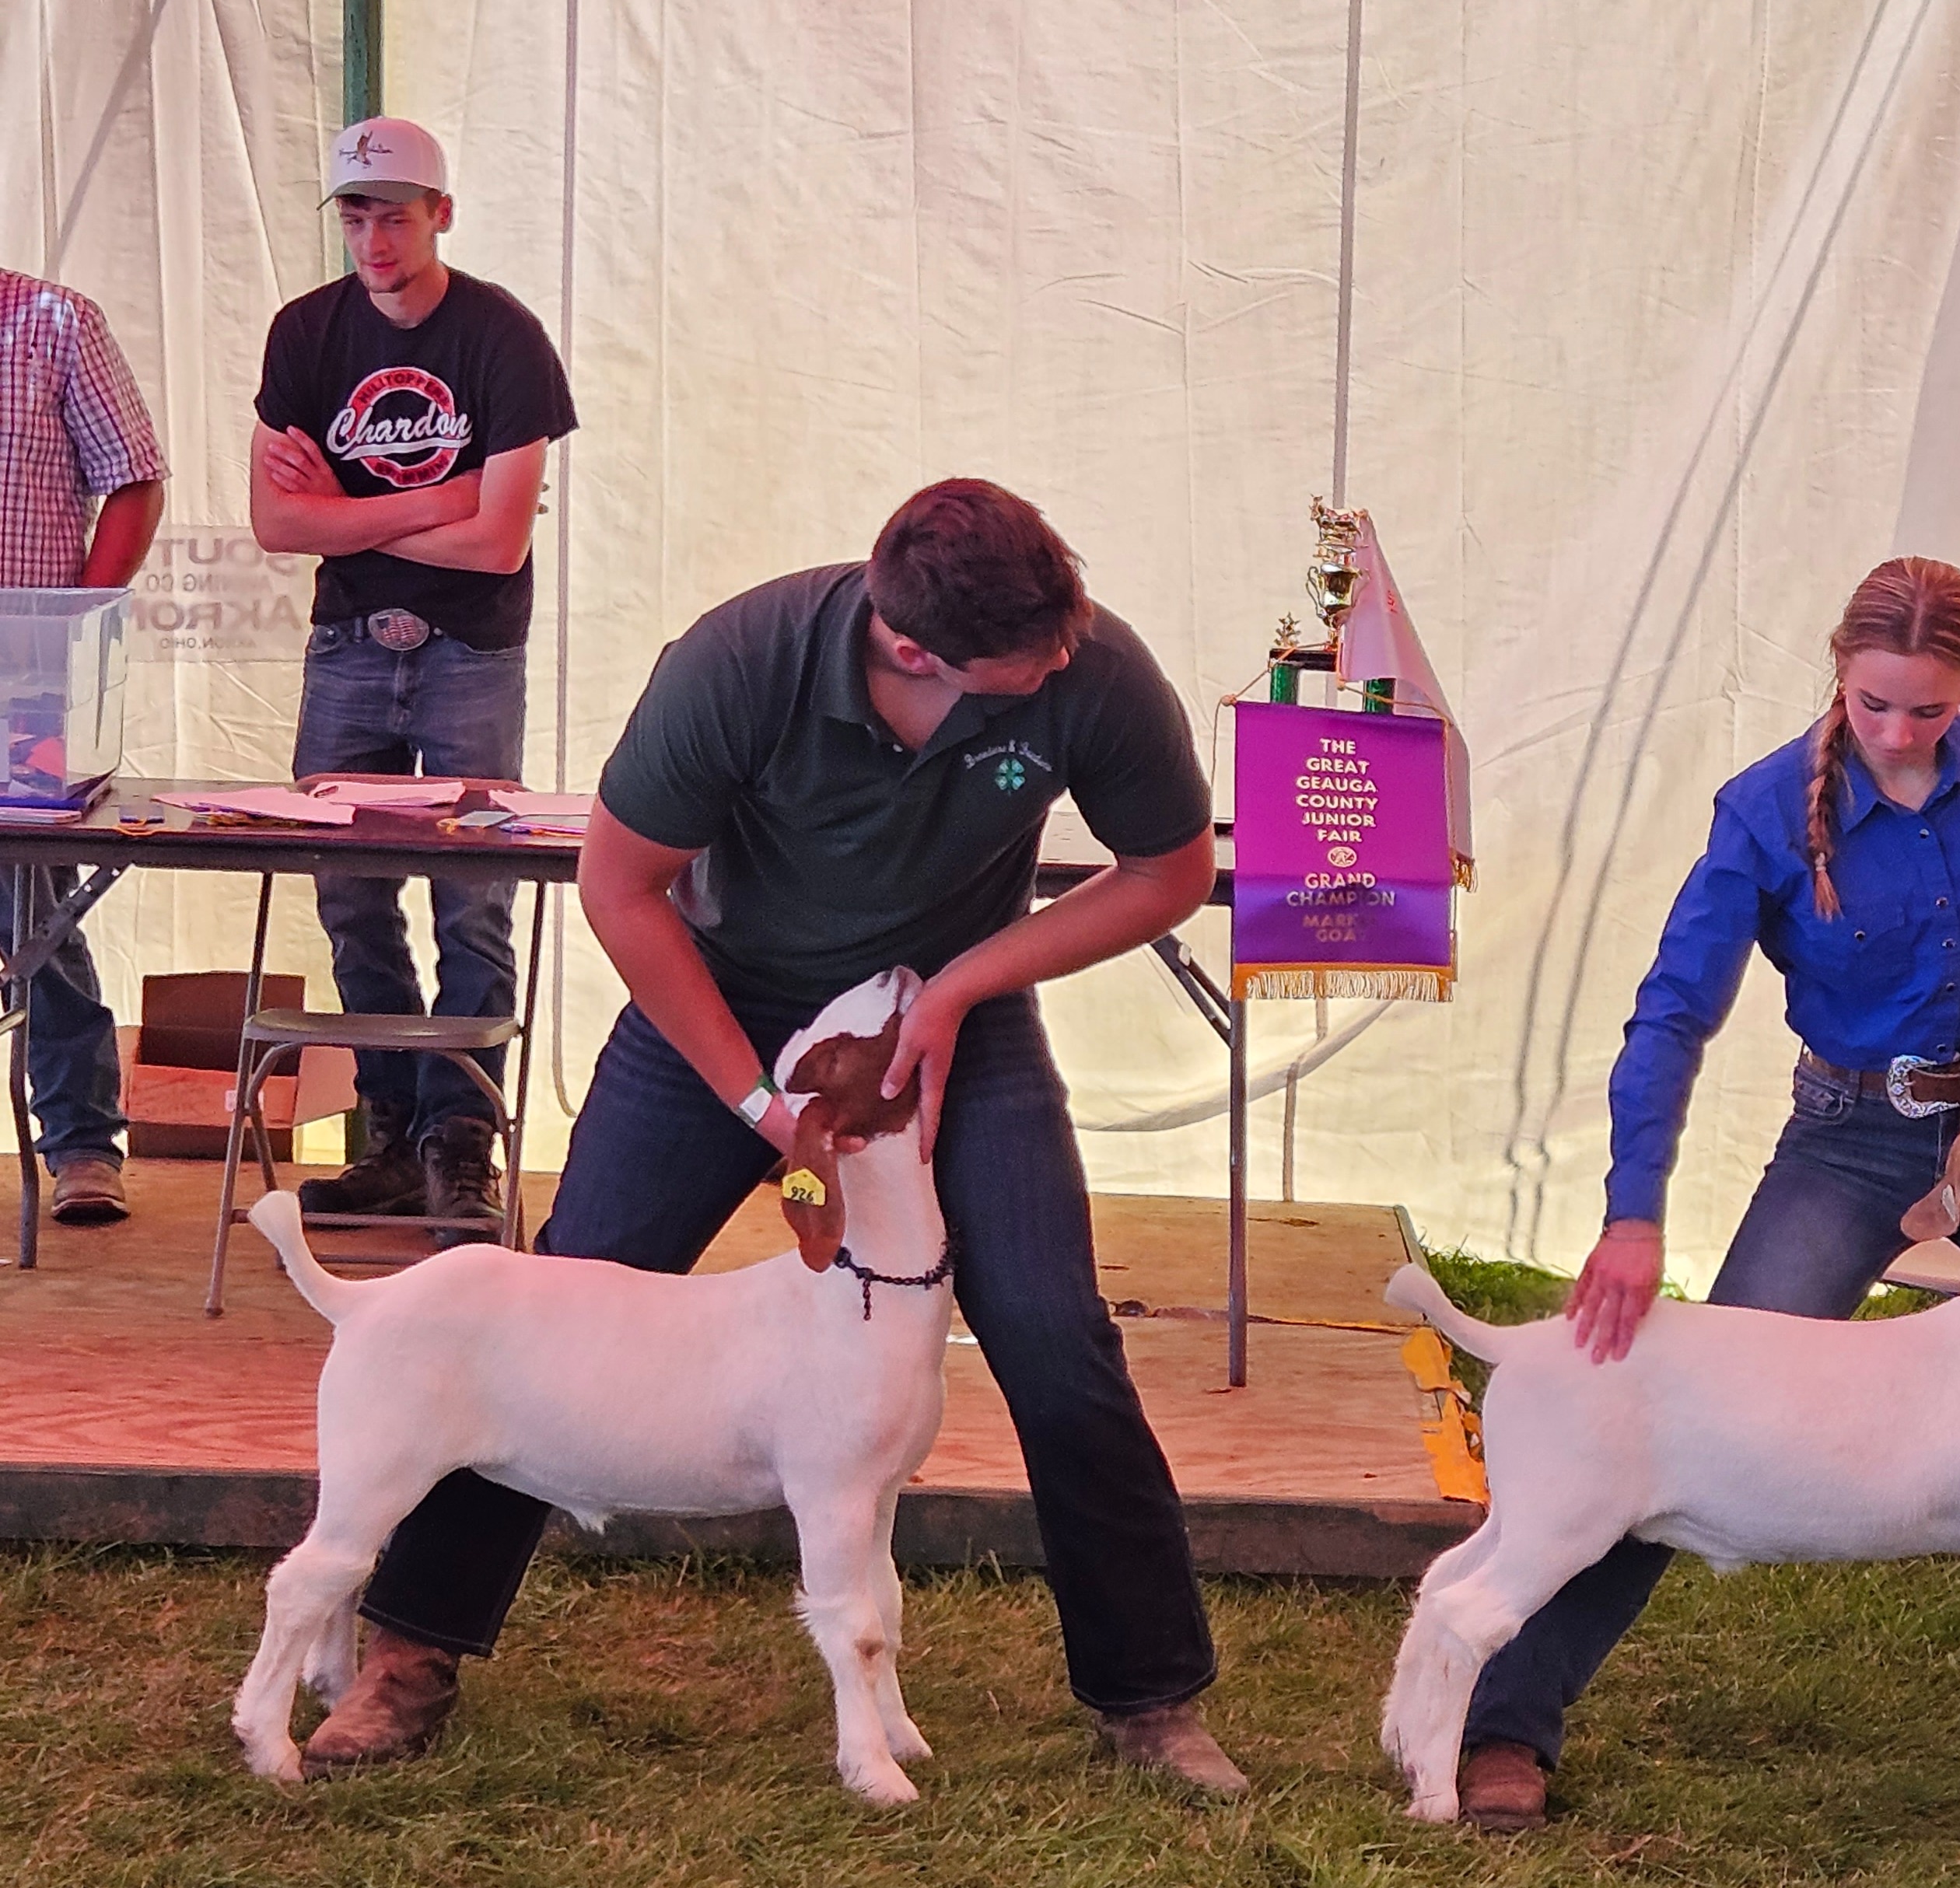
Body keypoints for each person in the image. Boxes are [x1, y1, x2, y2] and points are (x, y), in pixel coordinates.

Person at [296, 477, 1251, 1797]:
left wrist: (969, 984)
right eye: (1027, 666)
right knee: (559, 1293)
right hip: (720, 1013)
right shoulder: (740, 663)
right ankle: (410, 1651)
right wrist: (756, 1100)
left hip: (937, 1026)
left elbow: (1171, 869)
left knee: (1052, 1328)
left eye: (1064, 640)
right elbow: (620, 889)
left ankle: (1149, 1698)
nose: (1064, 667)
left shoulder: (1086, 660)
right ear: (912, 647)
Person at [1455, 555, 1960, 1832]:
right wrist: (1629, 1211)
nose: (1898, 734)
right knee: (1669, 1422)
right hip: (1845, 1141)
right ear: (1841, 675)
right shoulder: (1766, 811)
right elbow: (1671, 1015)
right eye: (1874, 704)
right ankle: (1509, 1724)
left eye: (1929, 711)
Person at [249, 116, 576, 1239]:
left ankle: (460, 1147)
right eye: (354, 211)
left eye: (394, 211)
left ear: (441, 213)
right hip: (347, 647)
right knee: (348, 893)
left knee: (472, 899)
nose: (373, 236)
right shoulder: (305, 333)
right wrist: (442, 497)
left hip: (470, 652)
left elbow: (500, 547)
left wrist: (346, 518)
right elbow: (274, 520)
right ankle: (391, 1138)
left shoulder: (503, 339)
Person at [2, 264, 168, 1226]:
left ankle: (80, 1141)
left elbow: (135, 482)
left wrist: (70, 621)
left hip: (27, 672)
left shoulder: (57, 323)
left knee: (37, 907)